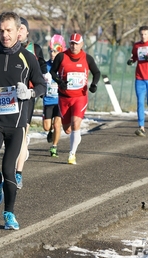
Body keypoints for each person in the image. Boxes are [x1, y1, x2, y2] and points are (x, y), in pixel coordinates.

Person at [0, 11, 46, 230]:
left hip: (16, 124)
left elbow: (41, 84)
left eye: (9, 30)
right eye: (1, 30)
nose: (5, 35)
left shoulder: (28, 57)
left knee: (9, 170)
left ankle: (9, 214)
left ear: (18, 31)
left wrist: (30, 94)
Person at [49, 33, 101, 165]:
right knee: (67, 129)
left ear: (82, 44)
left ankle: (72, 154)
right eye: (72, 43)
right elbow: (52, 72)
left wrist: (94, 84)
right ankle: (75, 137)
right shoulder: (61, 56)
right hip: (64, 97)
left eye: (77, 43)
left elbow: (97, 72)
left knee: (75, 124)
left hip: (80, 97)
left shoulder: (87, 58)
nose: (74, 46)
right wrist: (60, 82)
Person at [14, 17, 47, 188]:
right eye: (15, 28)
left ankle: (18, 173)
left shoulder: (35, 49)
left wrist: (43, 77)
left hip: (27, 96)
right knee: (12, 137)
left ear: (26, 32)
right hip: (9, 96)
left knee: (21, 134)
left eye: (21, 29)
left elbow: (42, 68)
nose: (18, 32)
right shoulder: (4, 50)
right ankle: (19, 154)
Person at [42, 34, 66, 157]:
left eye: (56, 51)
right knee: (47, 127)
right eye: (51, 51)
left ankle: (54, 147)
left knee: (57, 124)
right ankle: (50, 131)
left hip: (60, 100)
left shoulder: (64, 66)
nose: (52, 54)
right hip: (47, 100)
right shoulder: (45, 66)